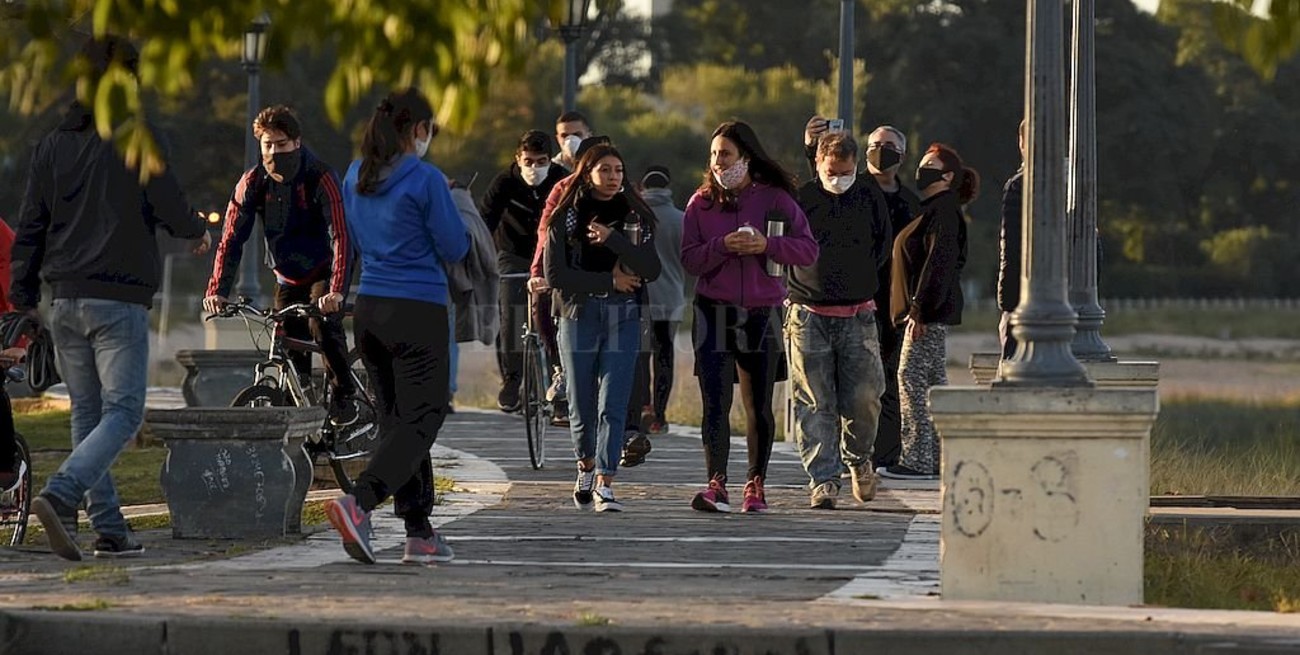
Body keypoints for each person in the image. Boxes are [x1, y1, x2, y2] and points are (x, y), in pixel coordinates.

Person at [12, 35, 211, 560]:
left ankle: (109, 529)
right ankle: (61, 492)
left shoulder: (52, 143)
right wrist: (195, 229)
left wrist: (24, 292)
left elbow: (31, 224)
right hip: (117, 296)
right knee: (124, 411)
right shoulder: (137, 137)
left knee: (88, 412)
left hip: (65, 297)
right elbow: (166, 199)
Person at [325, 88, 469, 565]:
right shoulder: (426, 180)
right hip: (417, 308)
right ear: (419, 130)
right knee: (423, 419)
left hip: (370, 309)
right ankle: (359, 503)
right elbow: (454, 247)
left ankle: (419, 530)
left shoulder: (355, 176)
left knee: (397, 424)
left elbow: (356, 239)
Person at [681, 120, 818, 514]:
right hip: (713, 310)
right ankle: (716, 484)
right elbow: (689, 258)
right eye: (713, 155)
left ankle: (755, 486)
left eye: (725, 154)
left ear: (746, 157)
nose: (718, 162)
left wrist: (767, 244)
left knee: (758, 404)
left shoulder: (774, 199)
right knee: (715, 402)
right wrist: (722, 245)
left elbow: (808, 251)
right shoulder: (701, 202)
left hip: (763, 311)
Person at [204, 105, 357, 423]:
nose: (274, 151)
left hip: (323, 269)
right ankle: (299, 418)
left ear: (297, 143)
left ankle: (345, 396)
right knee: (288, 346)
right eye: (267, 145)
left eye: (282, 144)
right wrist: (218, 290)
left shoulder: (320, 176)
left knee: (323, 326)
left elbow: (341, 235)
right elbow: (232, 238)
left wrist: (337, 291)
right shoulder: (253, 182)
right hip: (286, 276)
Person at [543, 143, 661, 512]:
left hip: (623, 315)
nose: (613, 178)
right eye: (605, 170)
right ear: (587, 171)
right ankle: (585, 464)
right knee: (581, 401)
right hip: (578, 315)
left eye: (619, 171)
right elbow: (555, 275)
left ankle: (605, 481)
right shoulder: (566, 215)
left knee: (615, 400)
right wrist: (608, 282)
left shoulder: (636, 214)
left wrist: (615, 240)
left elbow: (651, 269)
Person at [805, 118, 920, 471]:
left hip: (892, 299)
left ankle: (881, 454)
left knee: (877, 384)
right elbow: (819, 188)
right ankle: (838, 458)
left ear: (901, 155)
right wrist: (812, 146)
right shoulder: (857, 188)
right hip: (852, 297)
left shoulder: (908, 202)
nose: (880, 154)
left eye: (888, 148)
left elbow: (897, 248)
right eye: (874, 146)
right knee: (830, 386)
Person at [789, 131, 892, 510]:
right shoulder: (803, 200)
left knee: (864, 397)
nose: (839, 179)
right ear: (817, 165)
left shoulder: (868, 195)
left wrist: (860, 278)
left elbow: (883, 245)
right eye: (832, 171)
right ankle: (823, 479)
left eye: (846, 171)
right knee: (815, 402)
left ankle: (860, 459)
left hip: (858, 313)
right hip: (808, 313)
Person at [880, 143, 979, 481]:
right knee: (933, 383)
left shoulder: (944, 212)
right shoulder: (935, 208)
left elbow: (939, 262)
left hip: (926, 315)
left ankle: (917, 459)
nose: (921, 170)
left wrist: (918, 308)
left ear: (947, 176)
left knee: (910, 379)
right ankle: (935, 457)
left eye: (930, 165)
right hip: (927, 313)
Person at [479, 130, 566, 413]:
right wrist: (481, 260)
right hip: (512, 255)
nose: (534, 168)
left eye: (541, 162)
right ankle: (513, 379)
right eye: (528, 161)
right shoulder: (504, 182)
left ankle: (559, 373)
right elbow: (485, 222)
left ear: (550, 161)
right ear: (518, 159)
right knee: (511, 308)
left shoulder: (562, 179)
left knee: (555, 313)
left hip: (550, 254)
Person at [637, 165, 687, 435]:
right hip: (670, 299)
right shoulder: (681, 219)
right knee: (665, 358)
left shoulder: (636, 216)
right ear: (667, 187)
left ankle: (643, 406)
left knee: (641, 355)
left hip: (641, 299)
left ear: (643, 188)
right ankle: (660, 415)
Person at [999, 120, 1027, 359]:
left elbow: (1011, 250)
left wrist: (1007, 307)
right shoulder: (1074, 183)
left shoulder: (1019, 186)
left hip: (1025, 302)